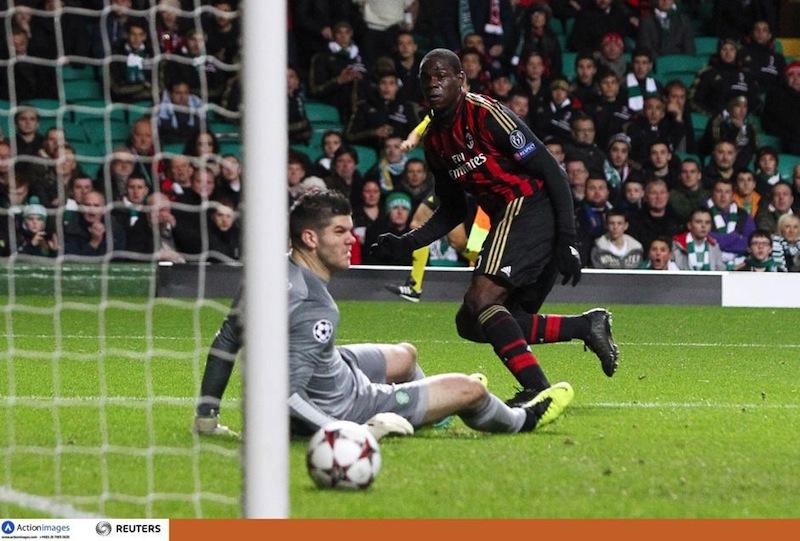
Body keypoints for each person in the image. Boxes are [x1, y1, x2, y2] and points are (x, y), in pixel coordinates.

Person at [195, 190, 573, 437]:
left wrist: (207, 417)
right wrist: (349, 432)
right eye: (340, 232)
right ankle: (525, 419)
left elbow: (228, 338)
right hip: (348, 405)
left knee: (405, 354)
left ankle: (434, 414)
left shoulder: (267, 273)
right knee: (470, 388)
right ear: (310, 238)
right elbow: (285, 395)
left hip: (332, 369)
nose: (351, 239)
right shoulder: (315, 306)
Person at [371, 49, 620, 407]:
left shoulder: (486, 114)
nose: (433, 82)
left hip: (532, 206)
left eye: (442, 75)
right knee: (471, 322)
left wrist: (568, 240)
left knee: (481, 299)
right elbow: (452, 209)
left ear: (461, 79)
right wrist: (407, 243)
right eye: (427, 77)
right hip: (509, 219)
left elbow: (552, 170)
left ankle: (537, 390)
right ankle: (585, 327)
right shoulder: (437, 142)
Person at [706, 179, 756, 268]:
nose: (723, 196)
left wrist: (719, 241)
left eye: (727, 192)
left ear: (733, 195)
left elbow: (750, 243)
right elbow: (705, 242)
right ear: (712, 193)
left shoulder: (743, 215)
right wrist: (736, 236)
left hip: (741, 265)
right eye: (719, 191)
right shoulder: (703, 214)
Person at [669, 158, 707, 225]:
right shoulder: (671, 197)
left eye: (692, 172)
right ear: (680, 176)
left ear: (699, 175)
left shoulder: (708, 196)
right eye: (684, 172)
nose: (688, 176)